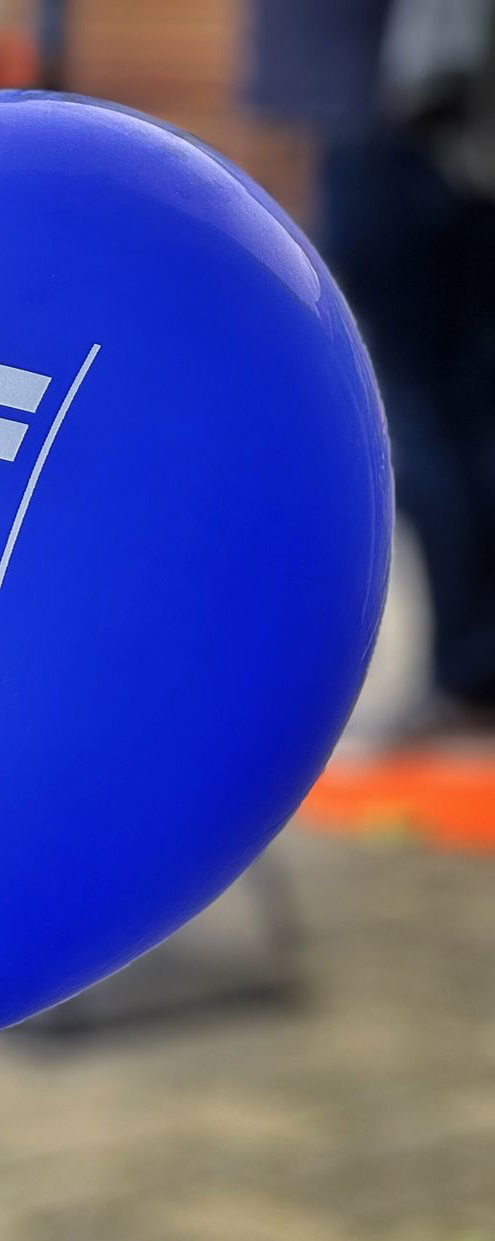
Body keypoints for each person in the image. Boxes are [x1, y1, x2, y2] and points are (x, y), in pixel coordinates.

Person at [248, 0, 495, 740]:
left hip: (395, 123)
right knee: (465, 403)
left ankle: (468, 666)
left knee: (417, 409)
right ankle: (473, 663)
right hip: (453, 136)